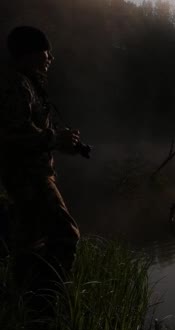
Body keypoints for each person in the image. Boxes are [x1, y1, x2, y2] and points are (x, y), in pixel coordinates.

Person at [0, 26, 81, 299]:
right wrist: (55, 139)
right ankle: (46, 305)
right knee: (67, 236)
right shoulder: (16, 84)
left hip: (28, 174)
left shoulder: (26, 82)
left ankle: (23, 305)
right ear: (32, 53)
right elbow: (13, 135)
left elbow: (29, 134)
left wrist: (61, 143)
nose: (50, 58)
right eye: (46, 51)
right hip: (29, 177)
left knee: (29, 244)